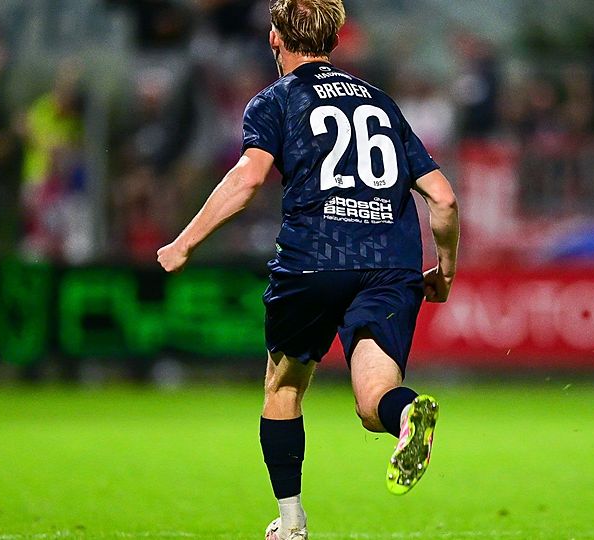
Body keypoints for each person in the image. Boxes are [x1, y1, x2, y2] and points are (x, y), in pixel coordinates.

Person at [157, 1, 459, 539]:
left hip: (315, 258)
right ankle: (407, 415)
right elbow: (443, 198)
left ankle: (291, 521)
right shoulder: (380, 102)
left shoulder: (275, 100)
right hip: (390, 262)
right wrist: (445, 271)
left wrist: (184, 243)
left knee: (284, 386)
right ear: (336, 38)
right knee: (374, 400)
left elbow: (249, 179)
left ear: (275, 38)